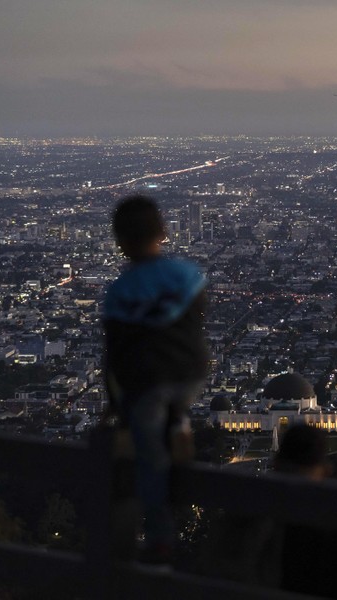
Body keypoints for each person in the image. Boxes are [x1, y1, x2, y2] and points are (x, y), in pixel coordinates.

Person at [103, 194, 209, 564]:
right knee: (169, 418)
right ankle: (180, 418)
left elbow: (114, 354)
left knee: (150, 458)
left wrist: (116, 404)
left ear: (121, 242)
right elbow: (195, 323)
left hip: (148, 383)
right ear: (163, 232)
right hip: (191, 374)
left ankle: (160, 540)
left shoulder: (120, 291)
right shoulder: (188, 274)